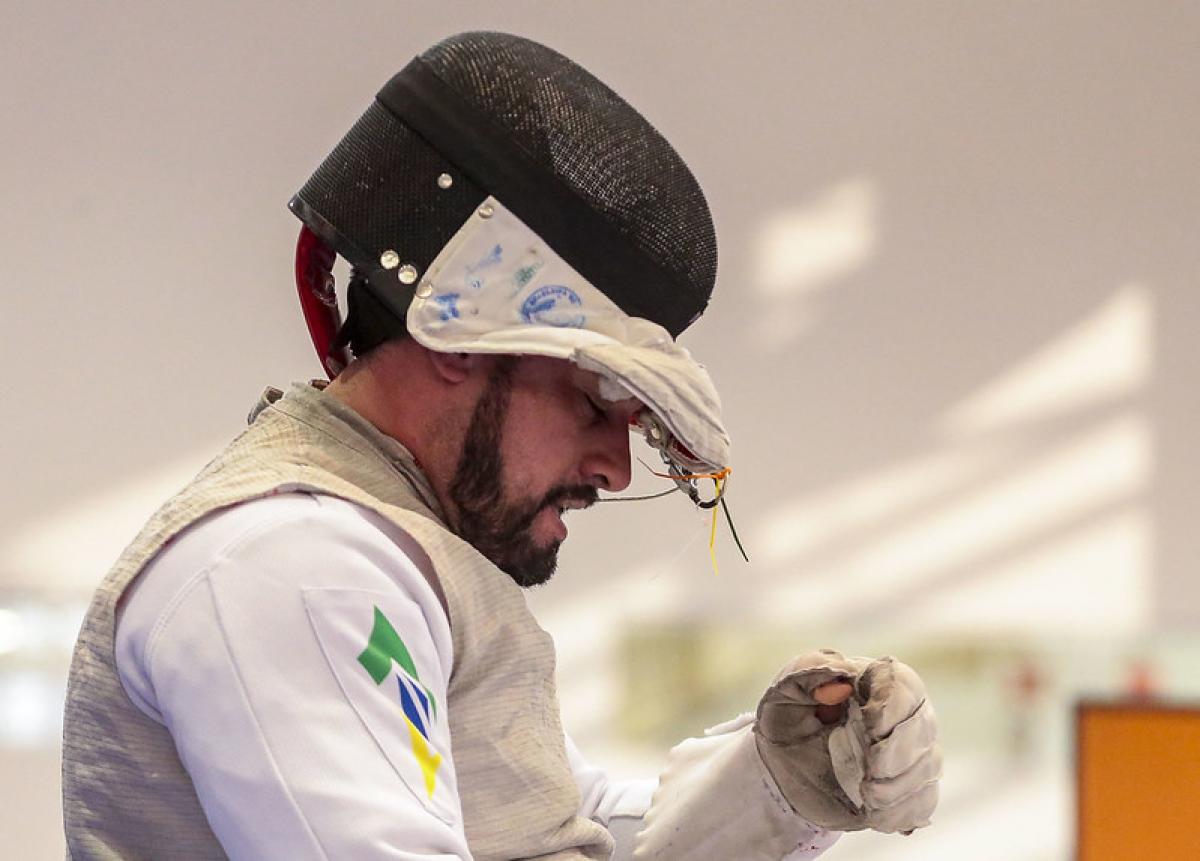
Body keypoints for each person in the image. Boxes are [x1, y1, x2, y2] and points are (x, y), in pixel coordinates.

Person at [62, 32, 941, 860]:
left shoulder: (396, 556)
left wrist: (776, 788)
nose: (614, 468)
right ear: (463, 342)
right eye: (596, 401)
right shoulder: (296, 566)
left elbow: (549, 820)